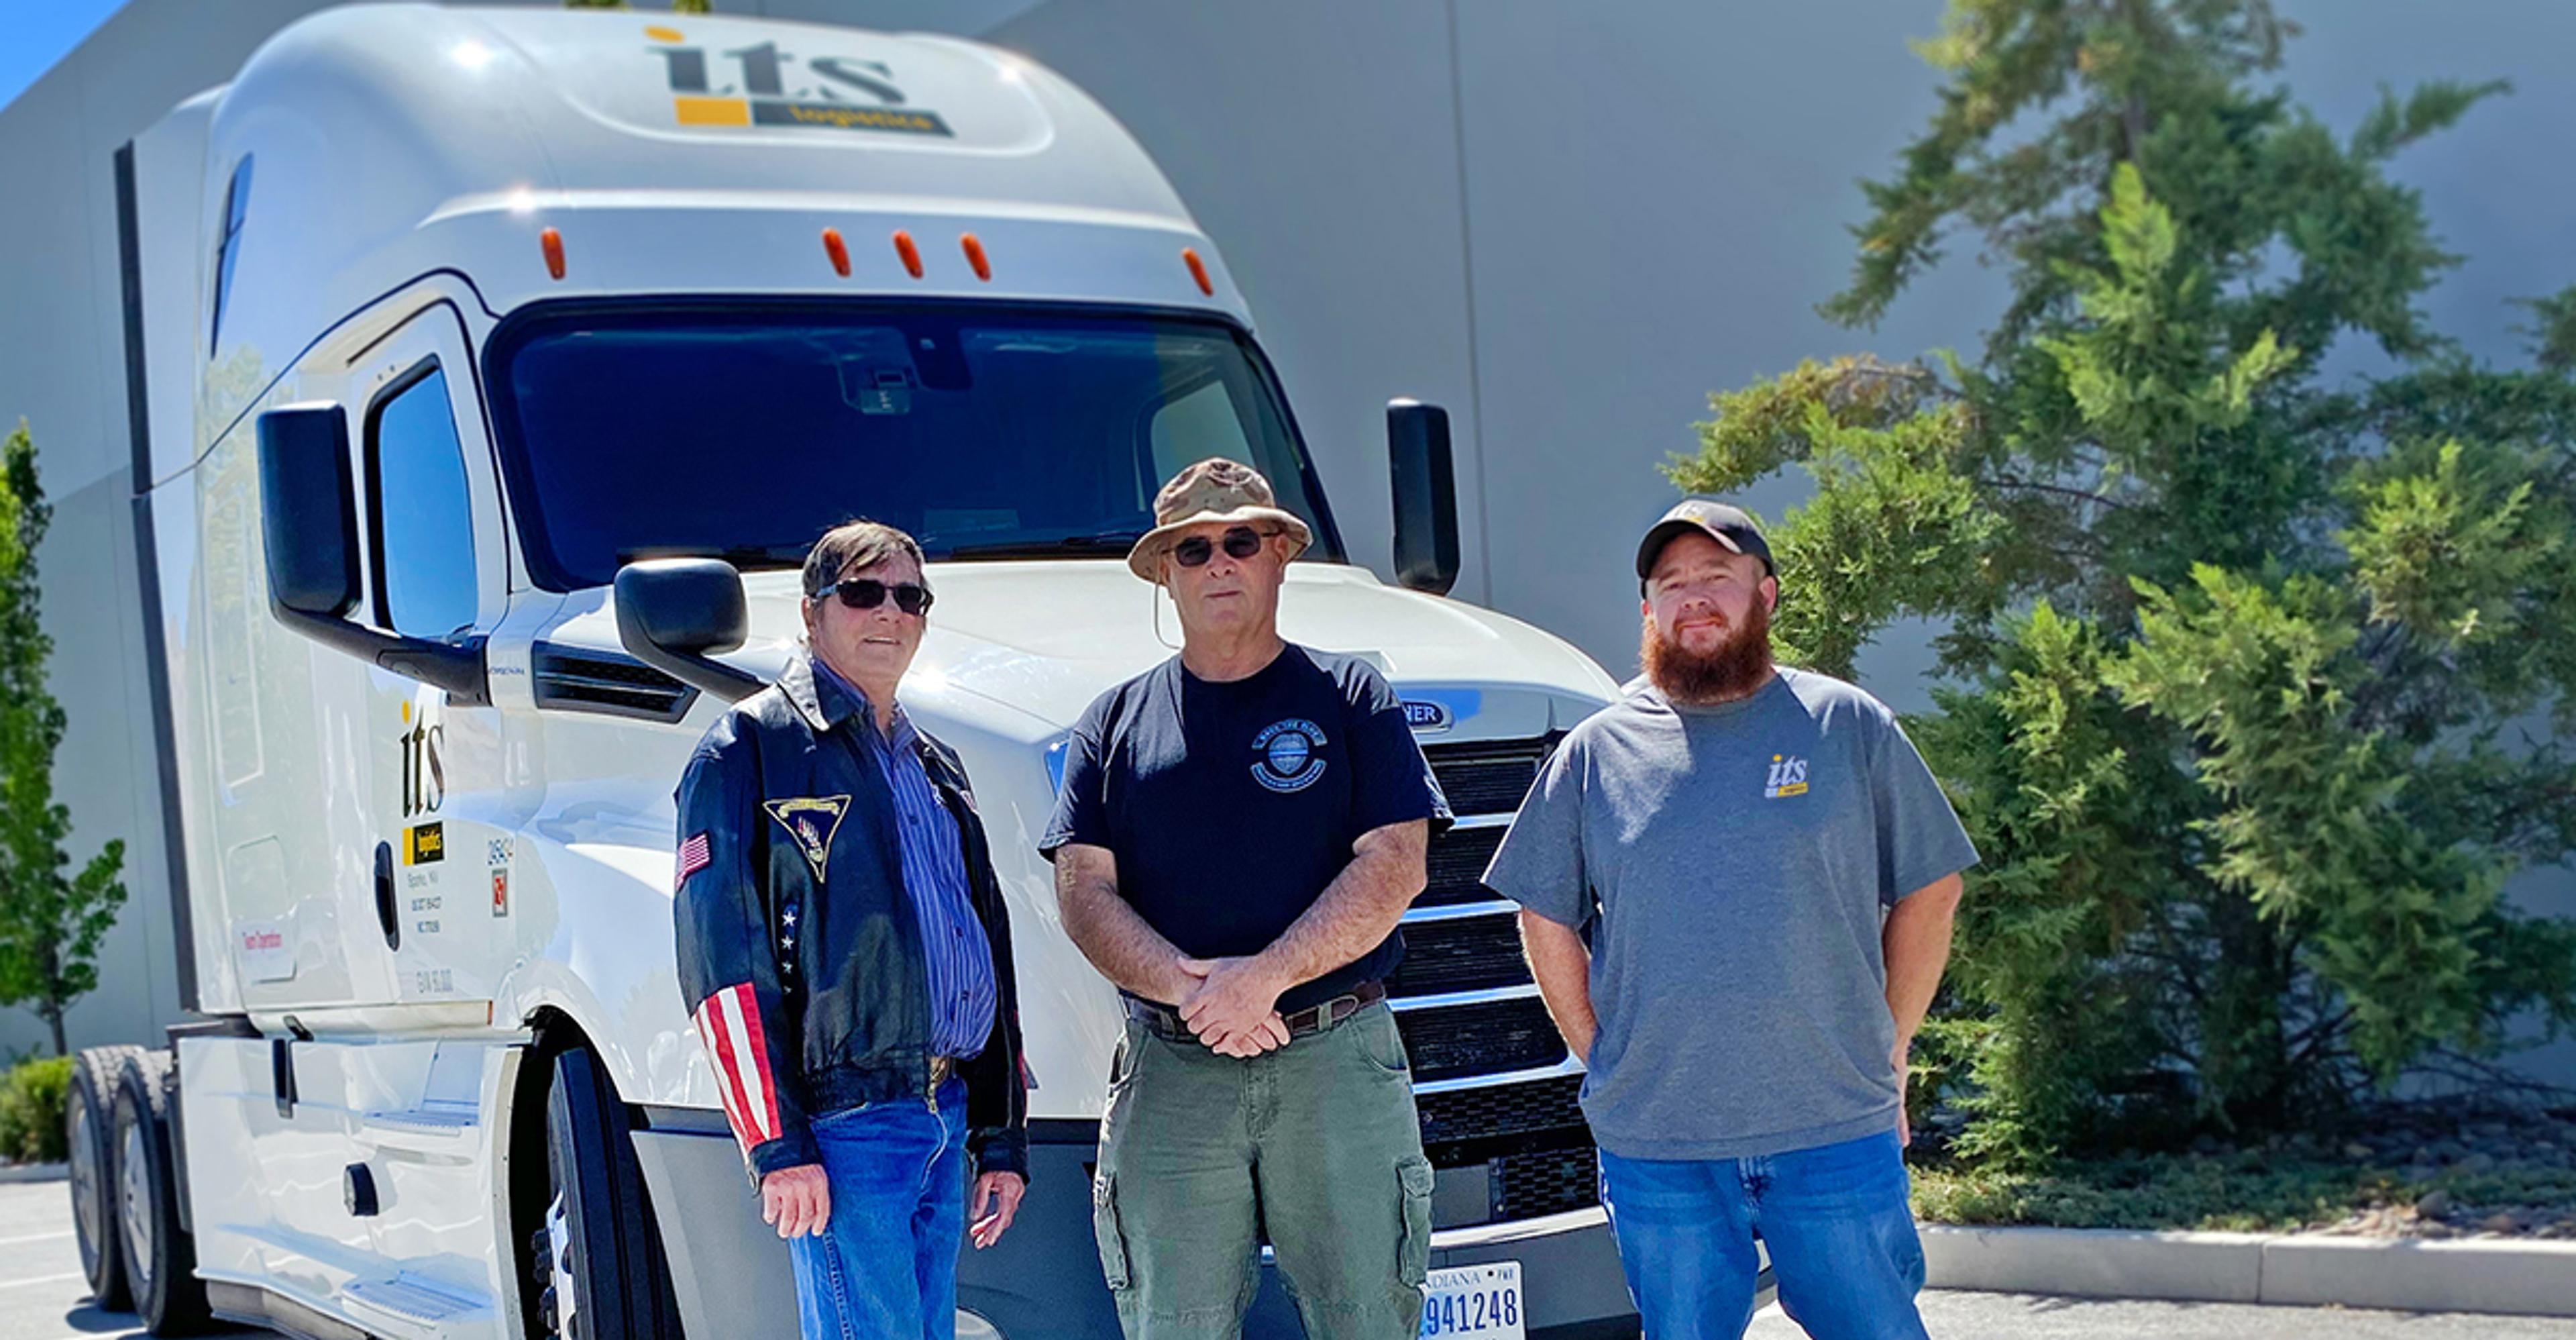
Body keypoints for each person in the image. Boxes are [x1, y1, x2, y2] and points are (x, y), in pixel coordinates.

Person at [1483, 498, 1978, 1340]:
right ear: (1647, 611)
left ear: (1768, 595)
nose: (1693, 598)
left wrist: (1891, 1050)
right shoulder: (1597, 752)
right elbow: (1544, 912)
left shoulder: (1845, 726)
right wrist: (1599, 1057)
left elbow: (1932, 888)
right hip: (1662, 1145)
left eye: (1718, 578)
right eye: (1671, 583)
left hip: (1832, 1130)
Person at [1042, 458, 1452, 1339]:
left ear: (1280, 555)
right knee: (1172, 1323)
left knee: (1370, 1321)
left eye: (1241, 541)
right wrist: (1198, 992)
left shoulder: (1352, 698)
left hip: (1336, 1060)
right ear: (1164, 571)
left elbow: (1396, 864)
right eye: (1194, 549)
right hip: (1174, 1070)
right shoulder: (1111, 723)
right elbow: (1082, 890)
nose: (1219, 561)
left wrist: (1261, 978)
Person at [672, 520, 1028, 1340]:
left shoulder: (935, 763)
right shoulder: (746, 749)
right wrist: (775, 1142)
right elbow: (719, 962)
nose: (890, 613)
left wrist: (1000, 1136)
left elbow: (982, 944)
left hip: (942, 1109)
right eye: (863, 592)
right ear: (811, 611)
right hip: (847, 1125)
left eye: (911, 596)